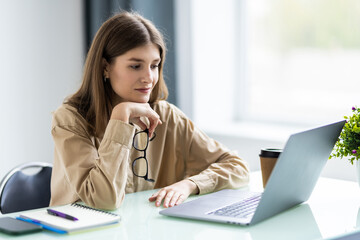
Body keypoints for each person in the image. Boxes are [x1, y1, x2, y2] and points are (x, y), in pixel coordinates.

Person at [50, 11, 249, 210]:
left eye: (154, 66)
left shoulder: (167, 116)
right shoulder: (70, 120)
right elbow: (104, 200)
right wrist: (120, 117)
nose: (149, 78)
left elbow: (238, 167)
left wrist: (190, 184)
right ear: (105, 67)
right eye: (135, 66)